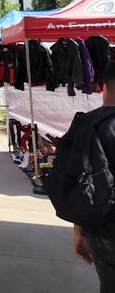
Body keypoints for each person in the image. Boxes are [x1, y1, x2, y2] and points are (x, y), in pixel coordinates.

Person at [67, 61, 115, 291]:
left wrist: (79, 231)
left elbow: (81, 186)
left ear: (103, 88)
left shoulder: (88, 126)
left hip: (105, 232)